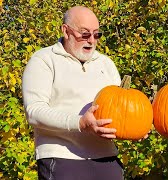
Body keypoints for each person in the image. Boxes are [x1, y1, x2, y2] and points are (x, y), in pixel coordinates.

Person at [22, 6, 124, 180]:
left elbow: (122, 109)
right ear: (66, 31)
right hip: (62, 158)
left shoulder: (106, 64)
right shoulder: (44, 60)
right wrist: (80, 123)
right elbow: (34, 112)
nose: (91, 40)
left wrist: (136, 129)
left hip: (107, 158)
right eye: (84, 34)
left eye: (96, 34)